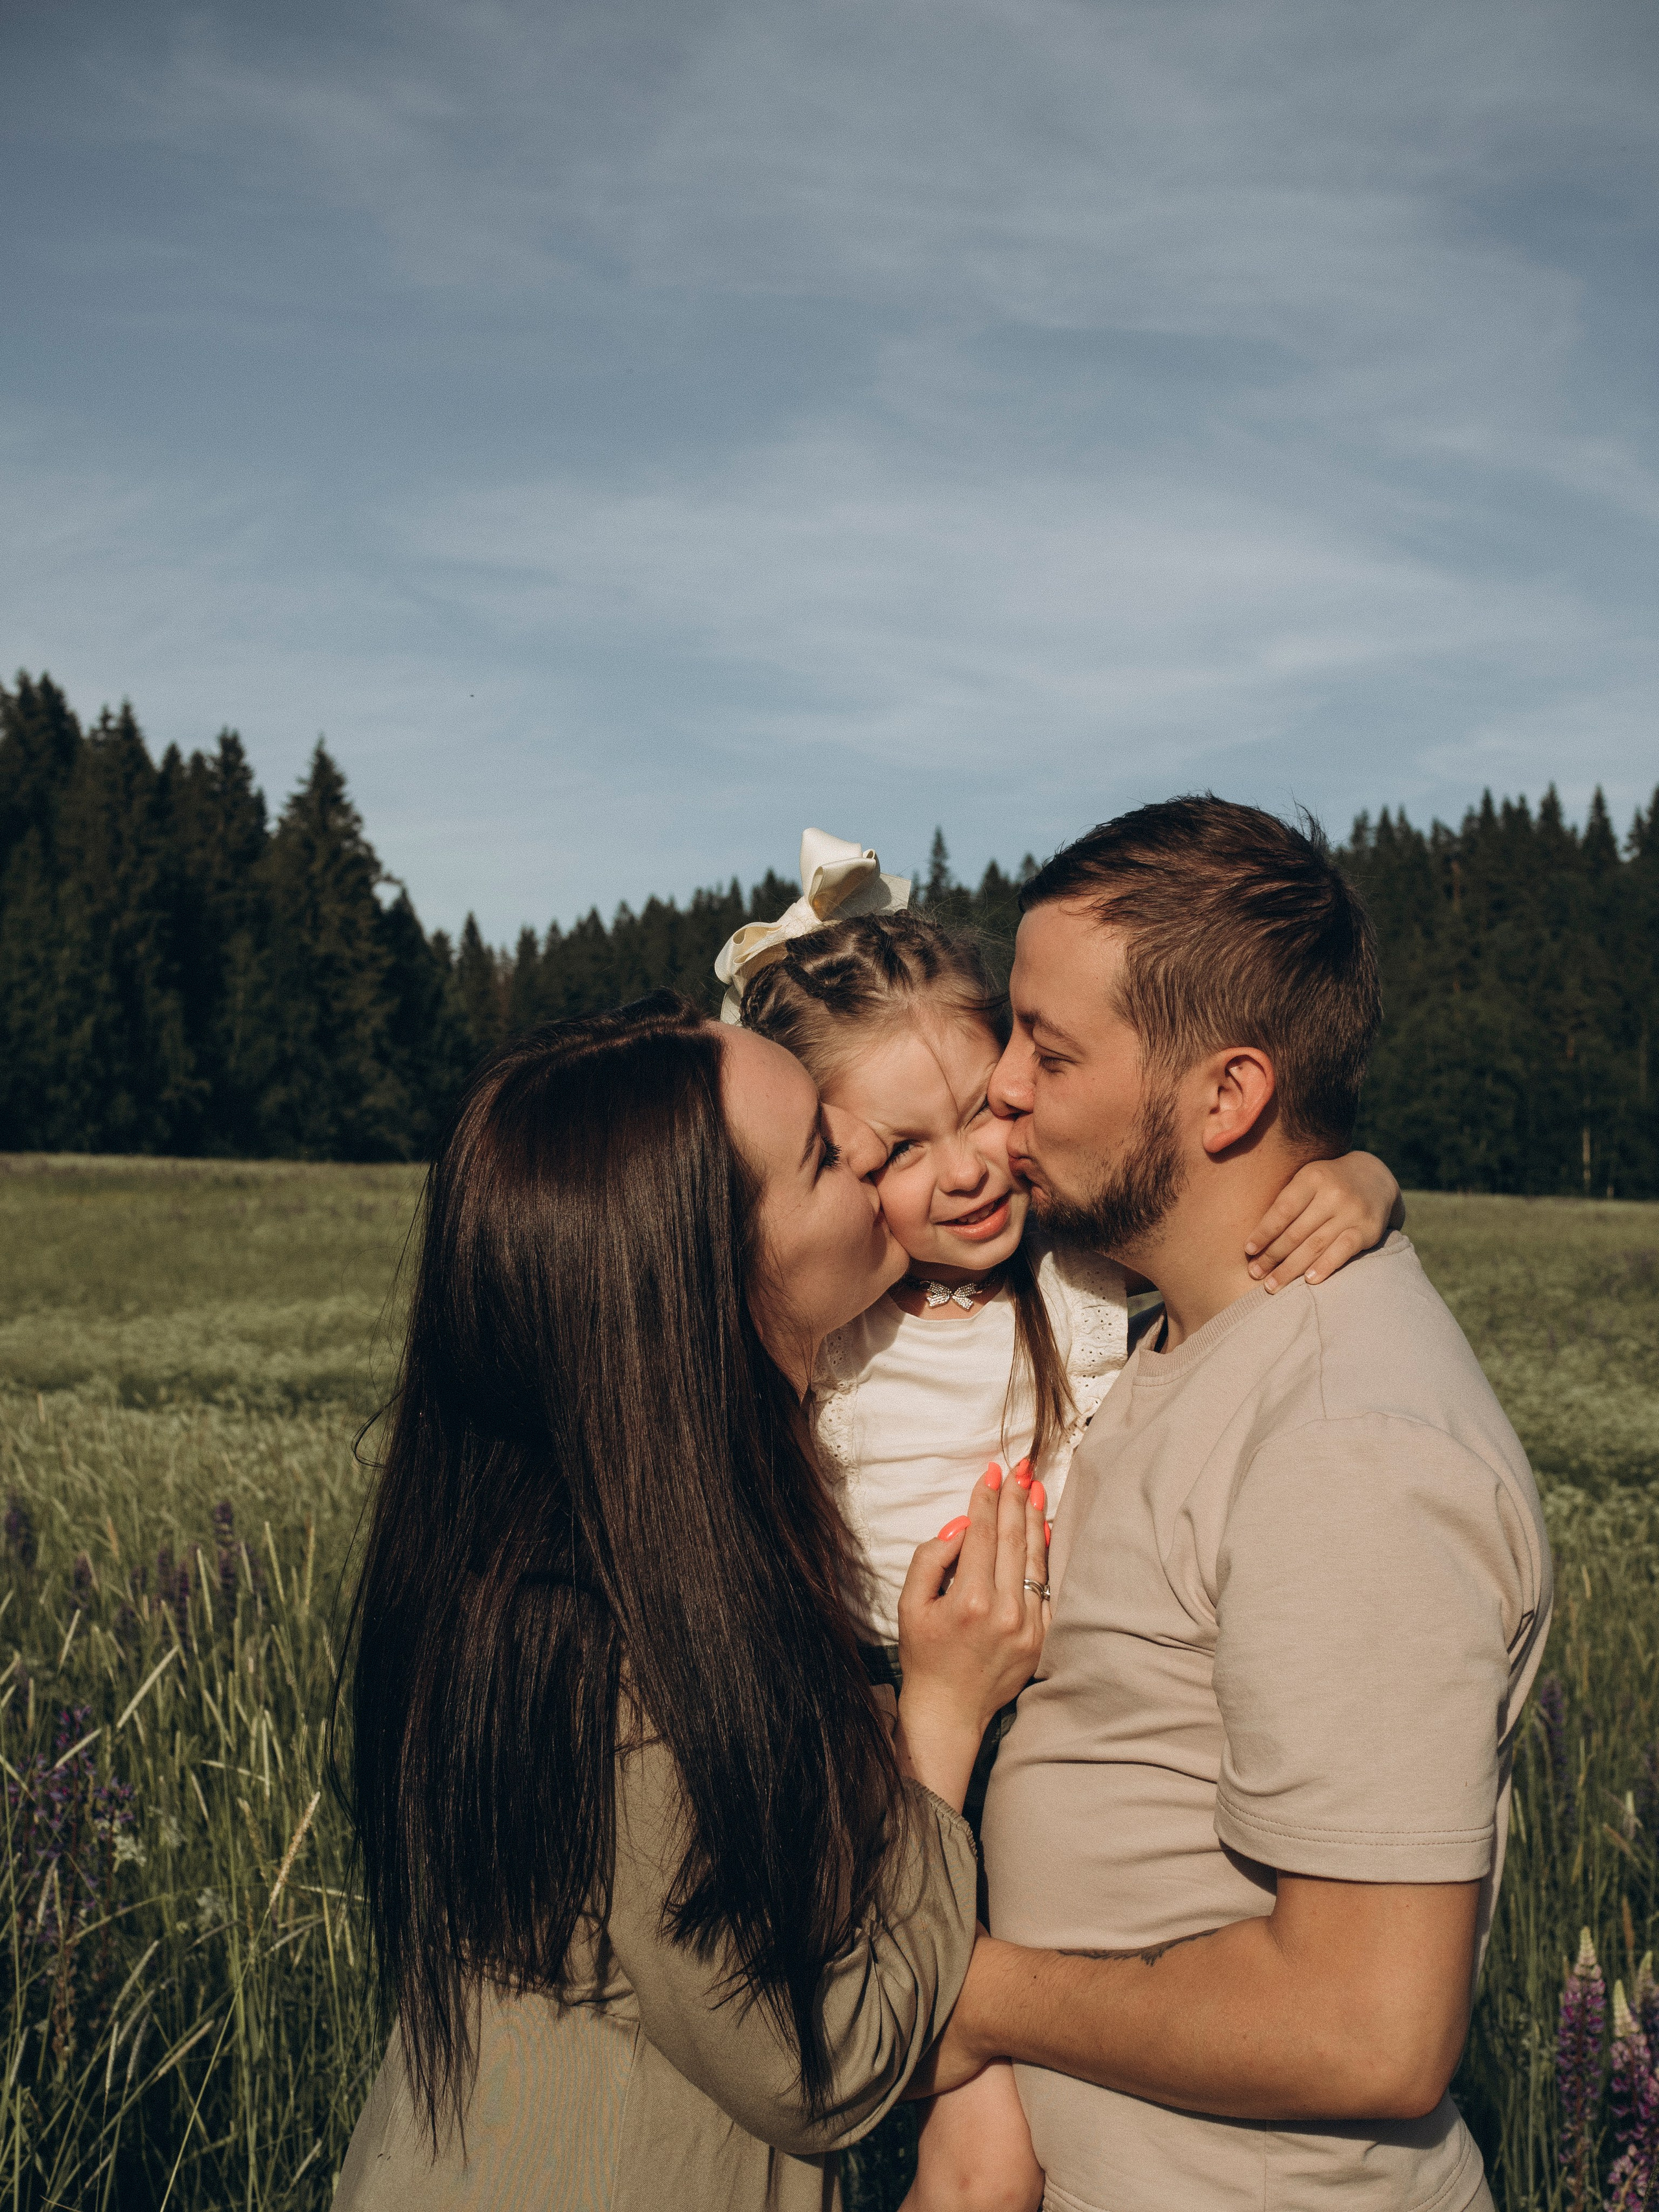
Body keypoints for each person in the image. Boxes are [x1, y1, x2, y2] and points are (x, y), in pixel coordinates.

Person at [723, 869, 1404, 2212]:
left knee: (1034, 2131)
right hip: (878, 1747)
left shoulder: (1079, 1274)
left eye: (984, 1108)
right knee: (972, 2162)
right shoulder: (828, 1326)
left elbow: (1238, 1202)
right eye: (897, 1150)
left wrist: (1364, 1178)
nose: (968, 1166)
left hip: (1062, 1740)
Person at [923, 797, 1551, 2212]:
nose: (999, 1086)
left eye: (1050, 1051)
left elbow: (1365, 2028)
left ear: (1228, 1097)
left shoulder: (1345, 1441)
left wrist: (968, 1991)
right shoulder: (1170, 1329)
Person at [331, 991, 1051, 2212]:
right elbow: (825, 2060)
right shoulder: (610, 1648)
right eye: (822, 1150)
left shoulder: (616, 1529)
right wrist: (942, 1721)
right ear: (709, 1281)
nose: (865, 1145)